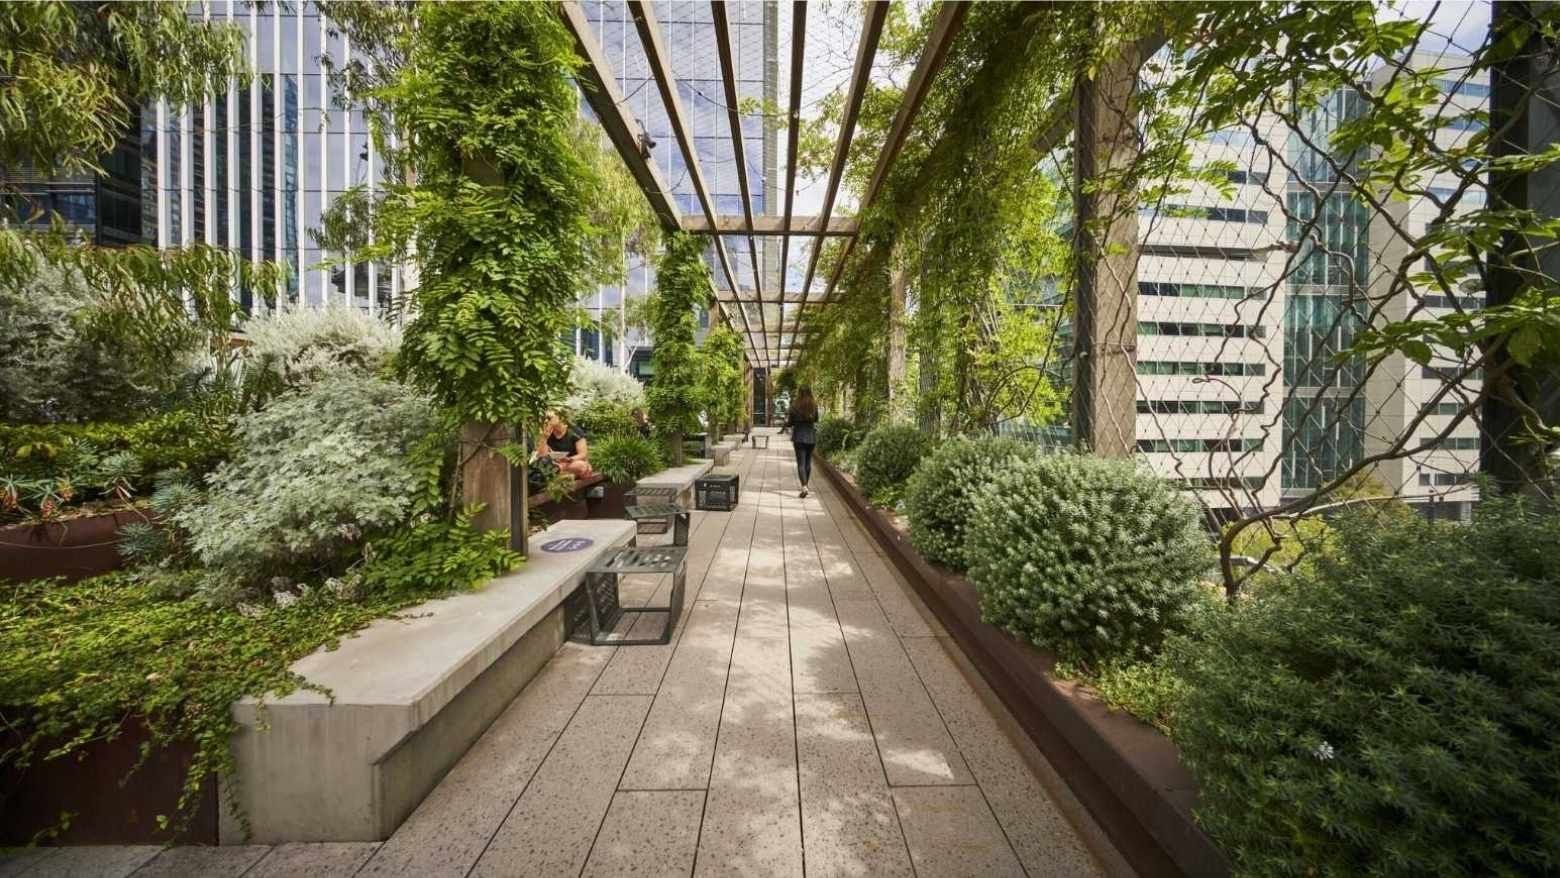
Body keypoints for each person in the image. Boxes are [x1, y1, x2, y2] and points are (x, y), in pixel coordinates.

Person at [536, 410, 593, 478]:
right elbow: (542, 456)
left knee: (582, 466)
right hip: (556, 464)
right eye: (545, 418)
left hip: (573, 463)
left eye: (549, 418)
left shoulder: (574, 430)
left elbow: (583, 454)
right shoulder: (547, 433)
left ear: (560, 418)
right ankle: (563, 473)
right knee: (542, 465)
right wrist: (544, 438)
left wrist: (569, 459)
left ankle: (559, 472)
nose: (546, 421)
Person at [785, 386, 819, 498]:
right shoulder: (814, 405)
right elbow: (816, 420)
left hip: (799, 437)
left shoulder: (795, 406)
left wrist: (787, 422)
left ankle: (804, 486)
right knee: (808, 463)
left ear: (799, 393)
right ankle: (806, 486)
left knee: (801, 463)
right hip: (811, 437)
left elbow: (790, 423)